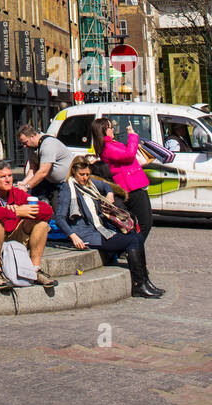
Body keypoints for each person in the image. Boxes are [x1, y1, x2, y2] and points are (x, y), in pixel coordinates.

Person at [55, 157, 161, 299]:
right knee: (132, 241)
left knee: (137, 236)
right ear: (74, 172)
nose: (85, 178)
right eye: (82, 175)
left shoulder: (90, 183)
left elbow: (106, 186)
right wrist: (73, 236)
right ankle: (139, 284)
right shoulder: (68, 189)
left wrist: (110, 194)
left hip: (99, 229)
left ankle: (145, 282)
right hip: (86, 235)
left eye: (87, 174)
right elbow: (59, 218)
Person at [92, 116, 162, 294]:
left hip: (135, 183)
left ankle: (139, 265)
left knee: (143, 225)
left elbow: (128, 159)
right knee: (143, 224)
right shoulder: (106, 147)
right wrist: (132, 136)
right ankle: (132, 252)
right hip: (130, 187)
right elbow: (128, 155)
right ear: (103, 131)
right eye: (109, 127)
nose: (112, 129)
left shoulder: (111, 144)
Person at [0, 159, 56, 291]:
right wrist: (15, 212)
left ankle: (35, 269)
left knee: (41, 224)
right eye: (3, 177)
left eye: (10, 176)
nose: (8, 180)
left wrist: (25, 211)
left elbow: (48, 211)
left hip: (11, 240)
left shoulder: (17, 193)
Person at [18, 124, 76, 208]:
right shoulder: (31, 148)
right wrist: (23, 183)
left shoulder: (48, 144)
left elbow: (43, 172)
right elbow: (33, 170)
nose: (24, 146)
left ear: (32, 136)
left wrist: (27, 186)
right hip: (49, 181)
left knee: (59, 210)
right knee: (34, 199)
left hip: (64, 182)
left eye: (25, 142)